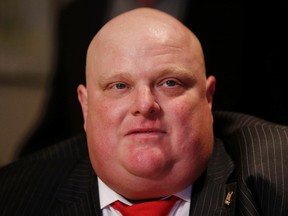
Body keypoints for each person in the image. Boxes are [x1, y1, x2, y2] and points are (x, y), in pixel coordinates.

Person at [0, 8, 287, 216]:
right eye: (120, 85)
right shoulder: (14, 197)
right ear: (85, 107)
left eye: (170, 83)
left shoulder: (278, 175)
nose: (145, 104)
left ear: (208, 98)